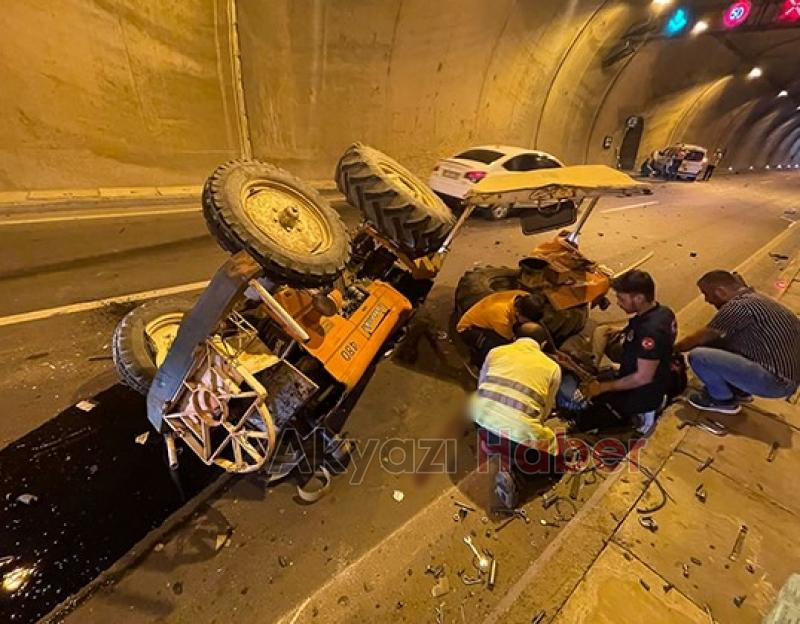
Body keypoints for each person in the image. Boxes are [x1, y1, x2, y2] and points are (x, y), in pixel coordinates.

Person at [675, 270, 800, 414]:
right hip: (786, 373)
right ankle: (739, 389)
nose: (707, 300)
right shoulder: (755, 298)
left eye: (706, 294)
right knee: (720, 344)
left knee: (699, 356)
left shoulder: (737, 307)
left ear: (721, 291)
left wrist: (673, 349)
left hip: (777, 382)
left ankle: (721, 400)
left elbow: (698, 338)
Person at [470, 323, 563, 508]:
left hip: (479, 420)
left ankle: (493, 447)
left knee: (501, 432)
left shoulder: (495, 352)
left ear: (515, 338)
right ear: (543, 344)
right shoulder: (552, 368)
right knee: (555, 457)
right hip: (515, 437)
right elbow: (545, 411)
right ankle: (518, 477)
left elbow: (481, 385)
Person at [580, 270, 677, 435]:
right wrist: (623, 331)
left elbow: (643, 377)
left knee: (585, 419)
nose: (618, 303)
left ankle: (642, 417)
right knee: (603, 332)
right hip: (647, 368)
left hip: (644, 393)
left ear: (639, 298)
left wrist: (604, 388)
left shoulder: (650, 333)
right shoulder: (662, 312)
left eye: (622, 299)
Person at [456, 290, 547, 365]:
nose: (529, 323)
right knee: (499, 347)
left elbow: (539, 324)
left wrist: (553, 350)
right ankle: (480, 364)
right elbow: (513, 343)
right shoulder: (501, 318)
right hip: (469, 329)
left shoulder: (525, 297)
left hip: (490, 317)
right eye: (527, 320)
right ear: (518, 313)